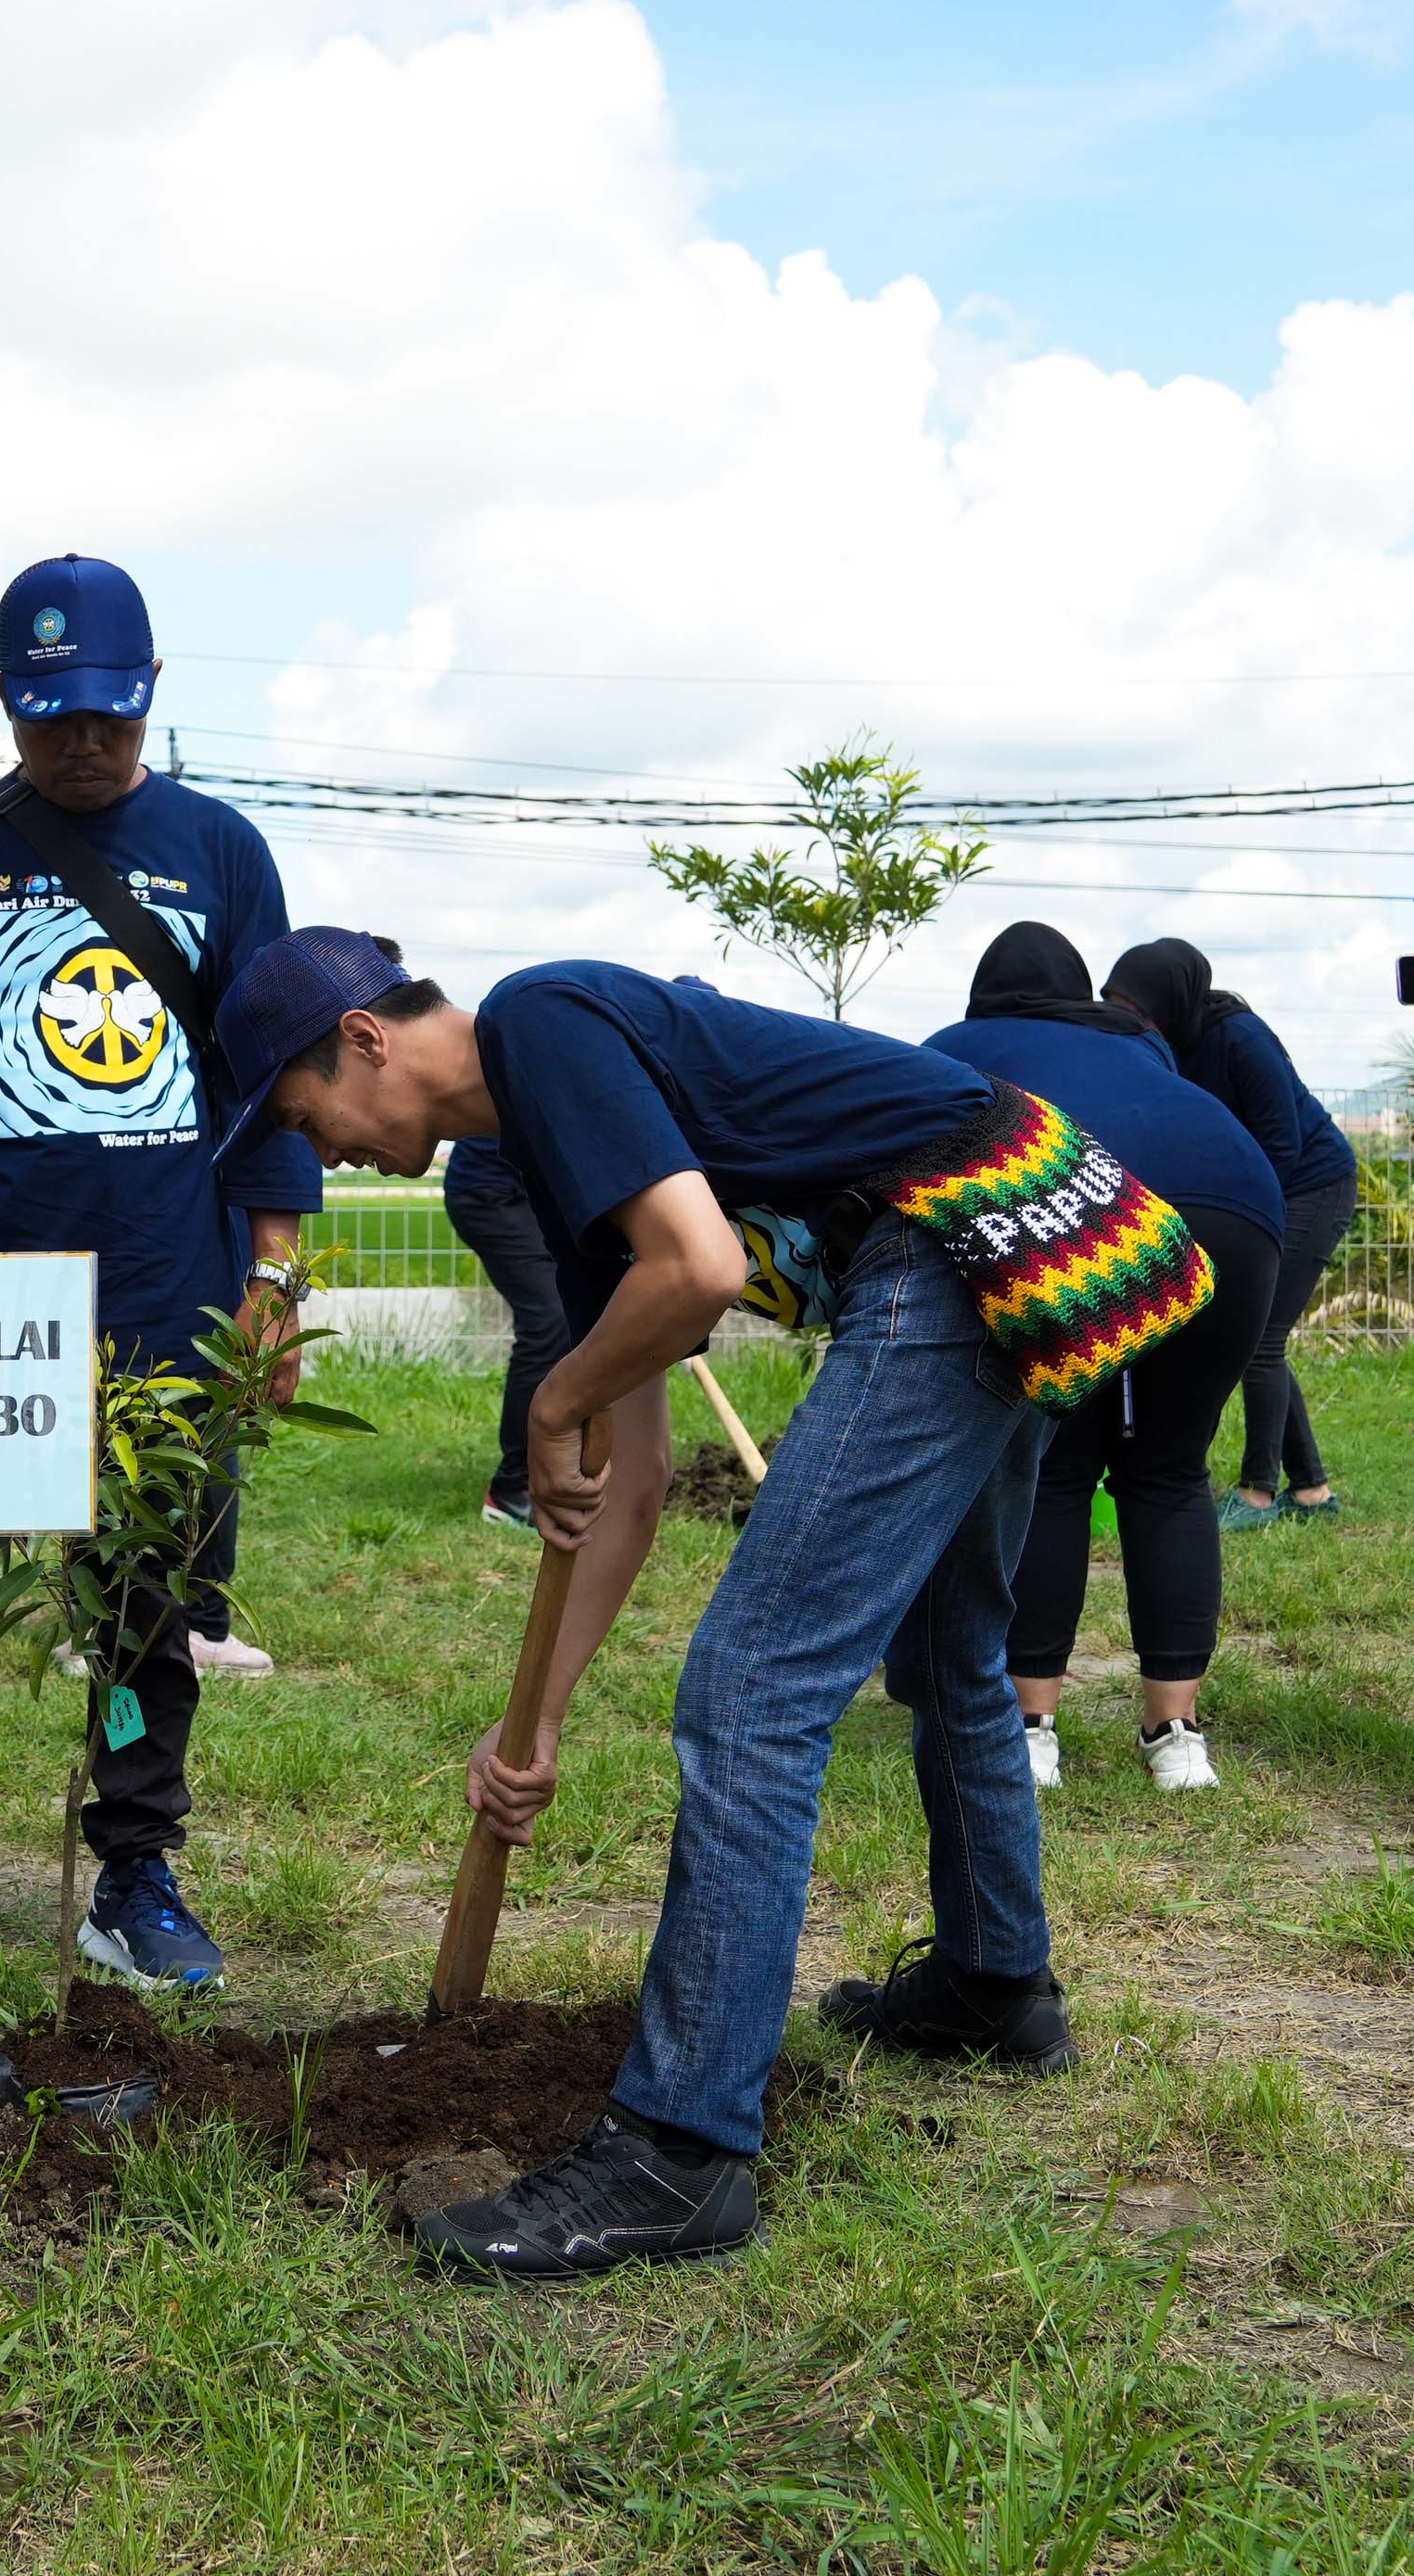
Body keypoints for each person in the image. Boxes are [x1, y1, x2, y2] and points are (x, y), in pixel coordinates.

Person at [229, 932, 1167, 2281]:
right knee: (952, 1642)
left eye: (296, 1113)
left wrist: (551, 1399)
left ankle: (679, 2152)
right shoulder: (553, 1164)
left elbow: (704, 1271)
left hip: (968, 1235)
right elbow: (638, 1470)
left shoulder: (543, 1023)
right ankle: (994, 1988)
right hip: (1024, 1218)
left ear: (365, 1041)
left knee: (749, 1696)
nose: (308, 1154)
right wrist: (534, 1727)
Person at [0, 553, 323, 2035]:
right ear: (9, 710)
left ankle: (134, 1878)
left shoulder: (222, 854)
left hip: (171, 1305)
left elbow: (275, 1091)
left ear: (147, 697)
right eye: (46, 718)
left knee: (154, 1609)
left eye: (103, 714)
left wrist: (274, 1281)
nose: (79, 743)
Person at [928, 924, 1280, 1794]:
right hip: (1235, 1214)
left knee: (1054, 1468)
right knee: (1168, 1469)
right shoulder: (1140, 1042)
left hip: (1091, 1209)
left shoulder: (956, 1049)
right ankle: (1176, 1738)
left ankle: (1031, 1731)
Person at [1102, 938, 1360, 1529]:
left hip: (1309, 1185)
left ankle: (1257, 1493)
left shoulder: (1240, 1038)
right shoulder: (1165, 1048)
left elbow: (1282, 1143)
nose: (1125, 1020)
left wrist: (1242, 1227)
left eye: (1133, 1009)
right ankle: (1313, 1490)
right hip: (1257, 1186)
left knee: (1259, 1340)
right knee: (1260, 1340)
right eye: (1113, 1005)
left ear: (1168, 1003)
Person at [441, 1133, 572, 1531]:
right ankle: (513, 1490)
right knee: (551, 1320)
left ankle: (569, 1467)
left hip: (527, 1192)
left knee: (578, 1313)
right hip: (490, 1191)